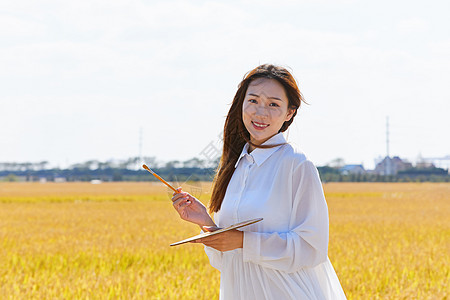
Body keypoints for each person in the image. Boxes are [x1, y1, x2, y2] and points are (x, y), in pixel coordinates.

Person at [171, 64, 346, 299]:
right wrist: (205, 222)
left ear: (289, 113)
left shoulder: (297, 164)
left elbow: (312, 248)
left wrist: (243, 241)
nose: (260, 112)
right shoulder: (236, 165)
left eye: (273, 104)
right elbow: (230, 258)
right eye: (253, 100)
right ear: (241, 104)